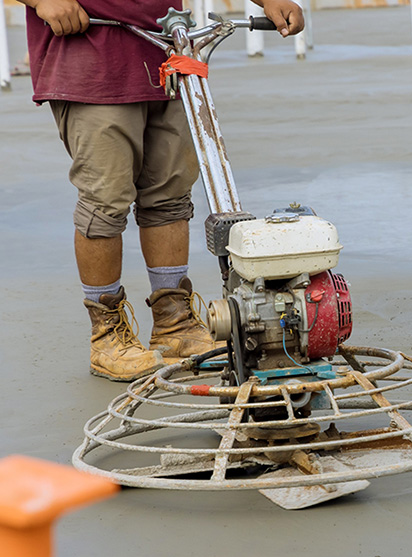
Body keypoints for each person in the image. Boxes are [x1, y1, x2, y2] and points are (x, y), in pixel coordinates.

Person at [17, 0, 304, 381]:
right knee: (105, 202)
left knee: (170, 196)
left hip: (166, 53)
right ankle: (105, 336)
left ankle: (175, 324)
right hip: (89, 51)